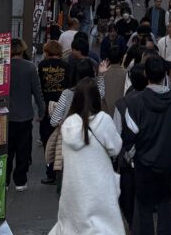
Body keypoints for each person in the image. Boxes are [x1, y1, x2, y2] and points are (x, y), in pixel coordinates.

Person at [50, 77, 125, 235]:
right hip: (99, 190)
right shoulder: (103, 120)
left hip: (74, 190)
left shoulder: (68, 125)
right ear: (96, 98)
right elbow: (116, 148)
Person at [125, 56, 171, 235]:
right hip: (168, 163)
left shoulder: (134, 102)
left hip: (143, 163)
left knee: (144, 206)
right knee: (165, 203)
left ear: (146, 74)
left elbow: (129, 136)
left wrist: (133, 159)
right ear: (165, 74)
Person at [7, 38, 45, 191]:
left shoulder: (4, 67)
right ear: (23, 50)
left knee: (7, 150)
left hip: (6, 116)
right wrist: (42, 112)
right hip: (25, 115)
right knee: (23, 149)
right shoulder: (30, 68)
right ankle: (20, 181)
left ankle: (4, 182)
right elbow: (37, 93)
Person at [115, 63, 147, 230]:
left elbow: (116, 133)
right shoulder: (158, 100)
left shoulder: (122, 103)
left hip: (128, 159)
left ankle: (133, 225)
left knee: (128, 197)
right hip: (150, 156)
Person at [38, 39, 69, 184]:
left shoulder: (41, 65)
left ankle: (50, 171)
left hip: (46, 107)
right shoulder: (66, 66)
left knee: (47, 140)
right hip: (63, 106)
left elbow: (38, 88)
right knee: (62, 139)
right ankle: (62, 171)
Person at [102, 46, 129, 119]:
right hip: (120, 114)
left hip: (105, 114)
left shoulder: (102, 74)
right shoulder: (126, 74)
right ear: (121, 58)